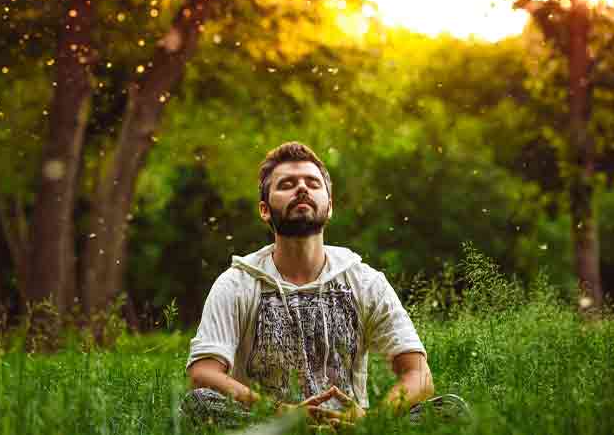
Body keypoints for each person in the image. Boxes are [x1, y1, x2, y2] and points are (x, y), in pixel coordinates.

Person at [182, 142, 468, 428]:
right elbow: (203, 374)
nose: (302, 189)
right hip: (271, 428)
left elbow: (419, 375)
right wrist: (281, 413)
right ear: (265, 210)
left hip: (352, 429)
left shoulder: (365, 281)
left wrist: (371, 422)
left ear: (329, 207)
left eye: (312, 183)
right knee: (197, 404)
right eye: (287, 184)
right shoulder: (236, 284)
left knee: (451, 410)